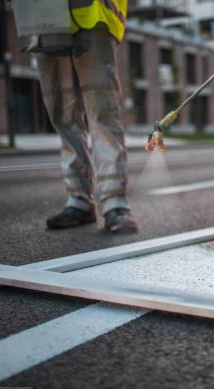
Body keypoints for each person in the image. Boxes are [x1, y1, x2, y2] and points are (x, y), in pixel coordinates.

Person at [39, 0, 137, 233]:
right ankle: (79, 200)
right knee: (63, 116)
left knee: (102, 112)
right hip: (42, 20)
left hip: (94, 16)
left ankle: (115, 203)